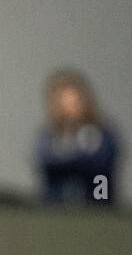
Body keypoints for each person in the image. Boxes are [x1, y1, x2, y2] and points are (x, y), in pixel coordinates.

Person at [36, 67, 120, 206]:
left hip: (98, 202)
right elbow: (46, 161)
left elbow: (102, 164)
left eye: (74, 101)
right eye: (63, 102)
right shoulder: (50, 136)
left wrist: (74, 158)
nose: (69, 107)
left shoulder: (101, 133)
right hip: (57, 207)